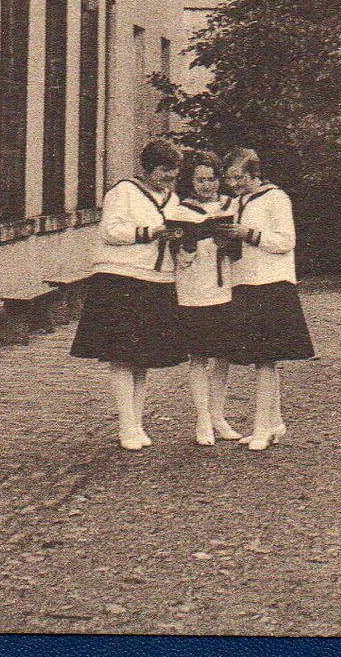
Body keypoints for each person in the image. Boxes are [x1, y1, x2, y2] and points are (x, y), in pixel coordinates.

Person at [70, 138, 185, 451]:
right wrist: (152, 232)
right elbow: (111, 231)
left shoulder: (173, 200)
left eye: (174, 173)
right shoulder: (123, 192)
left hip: (156, 279)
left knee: (143, 357)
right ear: (147, 169)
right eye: (164, 171)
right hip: (121, 280)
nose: (169, 178)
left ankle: (136, 420)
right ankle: (126, 424)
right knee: (122, 355)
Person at [223, 148, 315, 452]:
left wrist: (249, 234)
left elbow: (286, 241)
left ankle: (262, 426)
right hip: (246, 284)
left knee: (265, 360)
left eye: (240, 177)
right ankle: (273, 423)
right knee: (261, 360)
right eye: (230, 178)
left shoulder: (276, 198)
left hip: (271, 284)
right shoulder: (236, 203)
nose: (234, 183)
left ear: (254, 174)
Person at [166, 150, 243, 446]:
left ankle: (218, 415)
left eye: (211, 179)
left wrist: (229, 241)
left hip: (225, 288)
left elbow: (239, 253)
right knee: (199, 356)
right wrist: (188, 244)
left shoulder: (229, 206)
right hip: (194, 290)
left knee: (223, 356)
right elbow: (179, 260)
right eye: (200, 180)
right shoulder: (181, 211)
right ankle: (201, 420)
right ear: (191, 181)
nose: (207, 186)